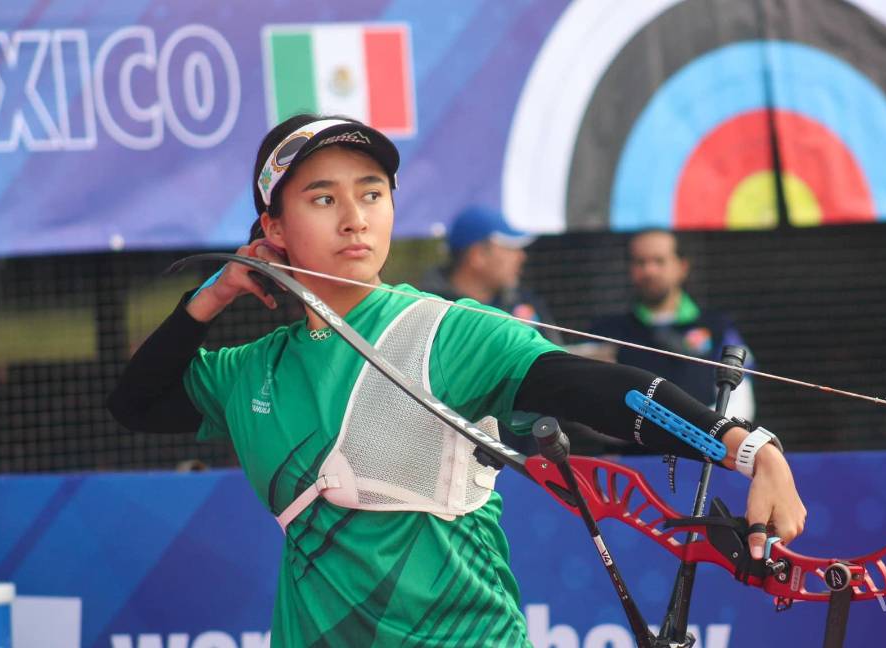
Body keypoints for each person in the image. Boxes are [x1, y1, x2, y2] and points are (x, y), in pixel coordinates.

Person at [106, 114, 805, 647]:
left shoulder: (447, 331)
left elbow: (598, 390)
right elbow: (135, 403)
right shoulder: (253, 370)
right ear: (273, 229)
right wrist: (212, 296)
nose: (355, 217)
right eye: (322, 199)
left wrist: (746, 449)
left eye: (371, 193)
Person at [592, 230, 757, 420]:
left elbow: (739, 398)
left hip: (702, 445)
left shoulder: (717, 326)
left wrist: (702, 430)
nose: (649, 271)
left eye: (659, 261)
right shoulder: (607, 331)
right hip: (632, 447)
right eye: (640, 262)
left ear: (682, 267)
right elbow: (591, 401)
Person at [421, 205, 562, 344]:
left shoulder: (523, 303)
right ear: (478, 255)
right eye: (509, 247)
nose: (521, 256)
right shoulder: (427, 310)